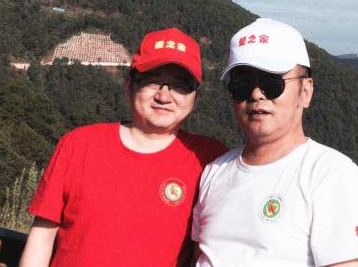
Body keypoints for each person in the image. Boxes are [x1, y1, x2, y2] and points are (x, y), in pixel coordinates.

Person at [20, 28, 227, 267]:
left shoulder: (210, 160)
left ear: (195, 97)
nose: (164, 96)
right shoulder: (78, 144)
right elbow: (42, 236)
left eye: (180, 86)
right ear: (129, 86)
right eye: (152, 81)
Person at [192, 18, 358, 266]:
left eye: (272, 84)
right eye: (241, 85)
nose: (256, 94)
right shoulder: (214, 172)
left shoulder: (331, 175)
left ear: (305, 91)